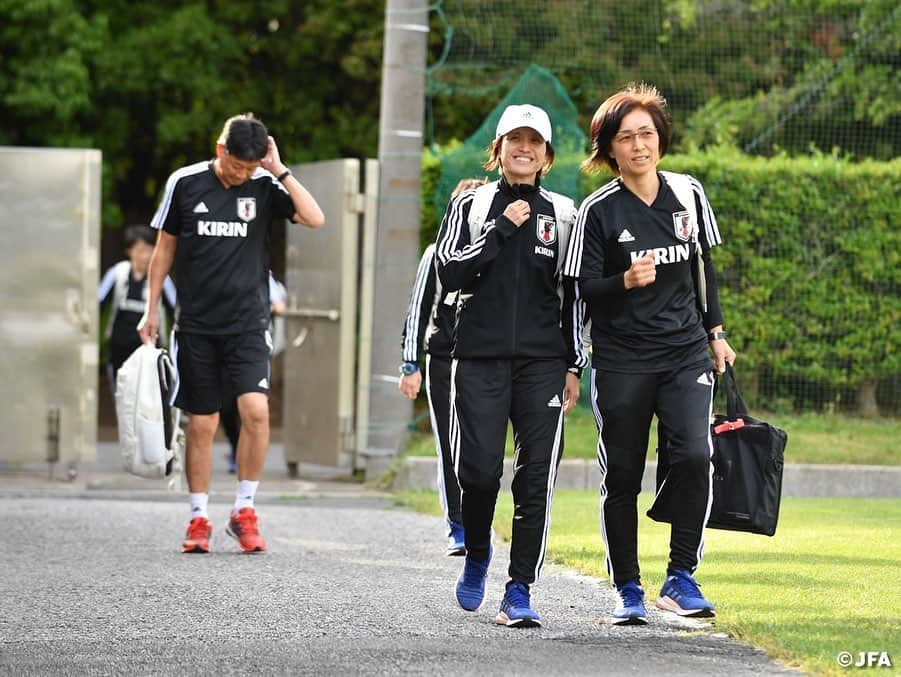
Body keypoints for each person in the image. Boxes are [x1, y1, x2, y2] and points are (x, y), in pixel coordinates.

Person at [561, 83, 736, 625]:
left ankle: (681, 577)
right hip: (621, 361)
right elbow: (582, 288)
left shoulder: (688, 193)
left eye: (647, 134)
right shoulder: (598, 211)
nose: (640, 145)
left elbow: (704, 269)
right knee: (623, 477)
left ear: (660, 138)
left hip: (685, 353)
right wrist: (625, 281)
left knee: (693, 456)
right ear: (609, 149)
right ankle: (628, 589)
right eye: (626, 137)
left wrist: (717, 331)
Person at [138, 113, 324, 554]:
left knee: (256, 412)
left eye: (251, 167)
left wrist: (278, 170)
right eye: (238, 166)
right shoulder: (185, 183)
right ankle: (198, 516)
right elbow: (164, 251)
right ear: (221, 151)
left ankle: (244, 509)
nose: (243, 175)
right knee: (202, 422)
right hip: (197, 324)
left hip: (248, 322)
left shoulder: (264, 183)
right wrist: (151, 312)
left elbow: (315, 218)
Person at [435, 105, 583, 628]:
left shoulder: (565, 213)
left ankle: (519, 588)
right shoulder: (472, 205)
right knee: (477, 473)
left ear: (546, 155)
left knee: (536, 476)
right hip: (477, 357)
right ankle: (477, 553)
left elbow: (573, 296)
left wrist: (574, 364)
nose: (524, 148)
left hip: (544, 363)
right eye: (514, 140)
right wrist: (499, 228)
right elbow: (448, 272)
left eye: (534, 142)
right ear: (497, 150)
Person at [398, 177, 487, 556]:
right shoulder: (436, 254)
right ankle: (458, 524)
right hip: (444, 358)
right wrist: (409, 363)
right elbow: (418, 309)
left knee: (481, 446)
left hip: (487, 361)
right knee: (450, 443)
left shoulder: (496, 250)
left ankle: (483, 518)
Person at [97, 224, 176, 397]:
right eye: (140, 250)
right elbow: (98, 304)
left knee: (147, 397)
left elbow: (175, 311)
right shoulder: (117, 274)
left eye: (149, 250)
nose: (145, 256)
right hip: (119, 347)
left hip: (150, 348)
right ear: (129, 251)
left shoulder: (162, 278)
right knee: (121, 396)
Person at [222, 271, 287, 473]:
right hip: (220, 342)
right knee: (225, 405)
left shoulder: (261, 272)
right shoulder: (220, 264)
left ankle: (247, 471)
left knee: (253, 406)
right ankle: (235, 445)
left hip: (253, 344)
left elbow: (279, 305)